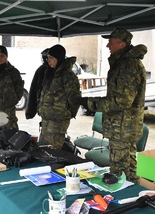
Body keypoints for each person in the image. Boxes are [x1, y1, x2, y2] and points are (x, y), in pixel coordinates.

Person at [79, 28, 147, 183]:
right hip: (123, 127)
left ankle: (123, 201)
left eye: (111, 42)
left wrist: (90, 103)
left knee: (119, 173)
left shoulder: (128, 66)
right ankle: (131, 198)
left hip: (123, 128)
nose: (108, 46)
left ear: (122, 44)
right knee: (129, 172)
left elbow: (121, 101)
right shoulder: (123, 63)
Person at [37, 44, 81, 149]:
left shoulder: (68, 76)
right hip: (46, 119)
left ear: (59, 58)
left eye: (51, 58)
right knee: (43, 149)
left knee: (53, 151)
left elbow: (74, 100)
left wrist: (65, 113)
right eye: (47, 58)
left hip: (58, 122)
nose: (48, 60)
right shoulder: (50, 72)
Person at [25, 48, 49, 119]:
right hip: (45, 110)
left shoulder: (62, 72)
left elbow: (33, 90)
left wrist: (30, 112)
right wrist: (30, 111)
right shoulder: (41, 70)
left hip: (55, 112)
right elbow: (34, 90)